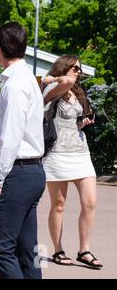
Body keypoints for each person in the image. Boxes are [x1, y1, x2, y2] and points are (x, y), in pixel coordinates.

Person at [0, 22, 46, 279]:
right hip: (33, 170)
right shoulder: (29, 80)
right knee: (27, 249)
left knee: (1, 248)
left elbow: (9, 138)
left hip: (18, 172)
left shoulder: (14, 85)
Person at [41, 55, 102, 269]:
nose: (78, 72)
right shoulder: (50, 90)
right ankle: (58, 249)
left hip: (80, 152)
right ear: (64, 67)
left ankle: (84, 250)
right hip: (57, 155)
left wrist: (83, 122)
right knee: (59, 205)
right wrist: (53, 78)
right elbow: (65, 81)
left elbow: (73, 122)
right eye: (75, 68)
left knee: (90, 202)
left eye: (79, 69)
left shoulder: (78, 92)